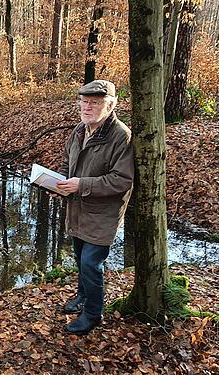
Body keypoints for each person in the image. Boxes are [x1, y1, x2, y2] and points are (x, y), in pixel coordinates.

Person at [54, 80, 134, 335]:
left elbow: (122, 180)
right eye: (85, 102)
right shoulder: (80, 130)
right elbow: (68, 161)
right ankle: (82, 294)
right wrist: (60, 182)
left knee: (91, 262)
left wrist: (81, 184)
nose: (87, 107)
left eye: (95, 103)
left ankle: (93, 313)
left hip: (103, 213)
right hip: (78, 206)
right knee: (79, 256)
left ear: (110, 106)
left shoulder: (121, 136)